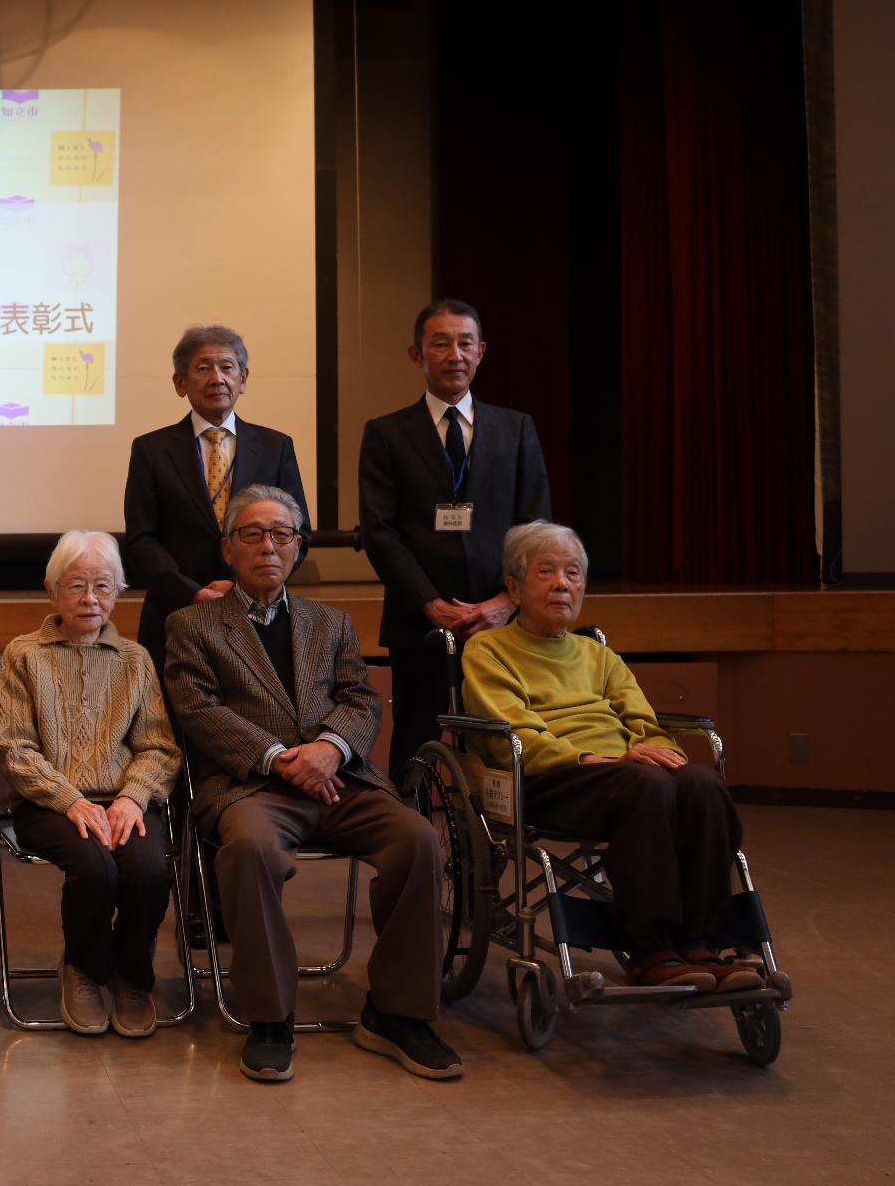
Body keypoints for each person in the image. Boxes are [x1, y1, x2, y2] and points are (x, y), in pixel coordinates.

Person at [166, 485, 459, 1083]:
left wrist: (330, 749)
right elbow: (198, 710)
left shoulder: (331, 622)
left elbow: (360, 698)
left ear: (298, 548)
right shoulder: (192, 625)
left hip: (339, 778)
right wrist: (279, 759)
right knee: (250, 850)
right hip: (252, 787)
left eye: (281, 534)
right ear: (228, 549)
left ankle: (397, 1013)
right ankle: (270, 1018)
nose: (268, 546)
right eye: (252, 534)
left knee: (418, 841)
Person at [459, 522, 759, 992]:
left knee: (702, 785)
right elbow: (512, 732)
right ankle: (651, 949)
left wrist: (665, 754)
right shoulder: (488, 649)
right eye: (546, 571)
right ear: (514, 589)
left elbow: (644, 722)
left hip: (623, 776)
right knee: (645, 785)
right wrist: (590, 759)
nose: (562, 584)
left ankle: (699, 943)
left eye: (573, 573)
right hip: (548, 777)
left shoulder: (599, 655)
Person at [0, 530, 181, 1039]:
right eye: (76, 585)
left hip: (125, 800)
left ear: (118, 593)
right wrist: (71, 800)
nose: (90, 598)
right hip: (48, 804)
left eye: (103, 586)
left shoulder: (136, 659)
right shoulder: (24, 654)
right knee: (95, 868)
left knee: (147, 870)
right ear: (52, 591)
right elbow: (13, 747)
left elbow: (159, 747)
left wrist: (132, 798)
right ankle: (85, 967)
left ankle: (132, 975)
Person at [359, 299, 550, 773]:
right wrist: (430, 603)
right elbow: (379, 531)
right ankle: (413, 821)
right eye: (440, 344)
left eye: (465, 343)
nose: (454, 355)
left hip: (502, 619)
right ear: (417, 354)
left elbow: (536, 526)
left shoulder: (515, 428)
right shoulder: (386, 433)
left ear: (481, 352)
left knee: (506, 737)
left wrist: (506, 601)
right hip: (419, 622)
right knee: (415, 742)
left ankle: (500, 822)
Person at [122, 324, 308, 669]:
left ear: (243, 378)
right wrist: (192, 593)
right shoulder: (151, 450)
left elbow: (299, 534)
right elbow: (140, 540)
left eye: (227, 367)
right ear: (180, 382)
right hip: (174, 615)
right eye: (203, 368)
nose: (217, 378)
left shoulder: (275, 447)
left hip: (259, 616)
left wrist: (243, 588)